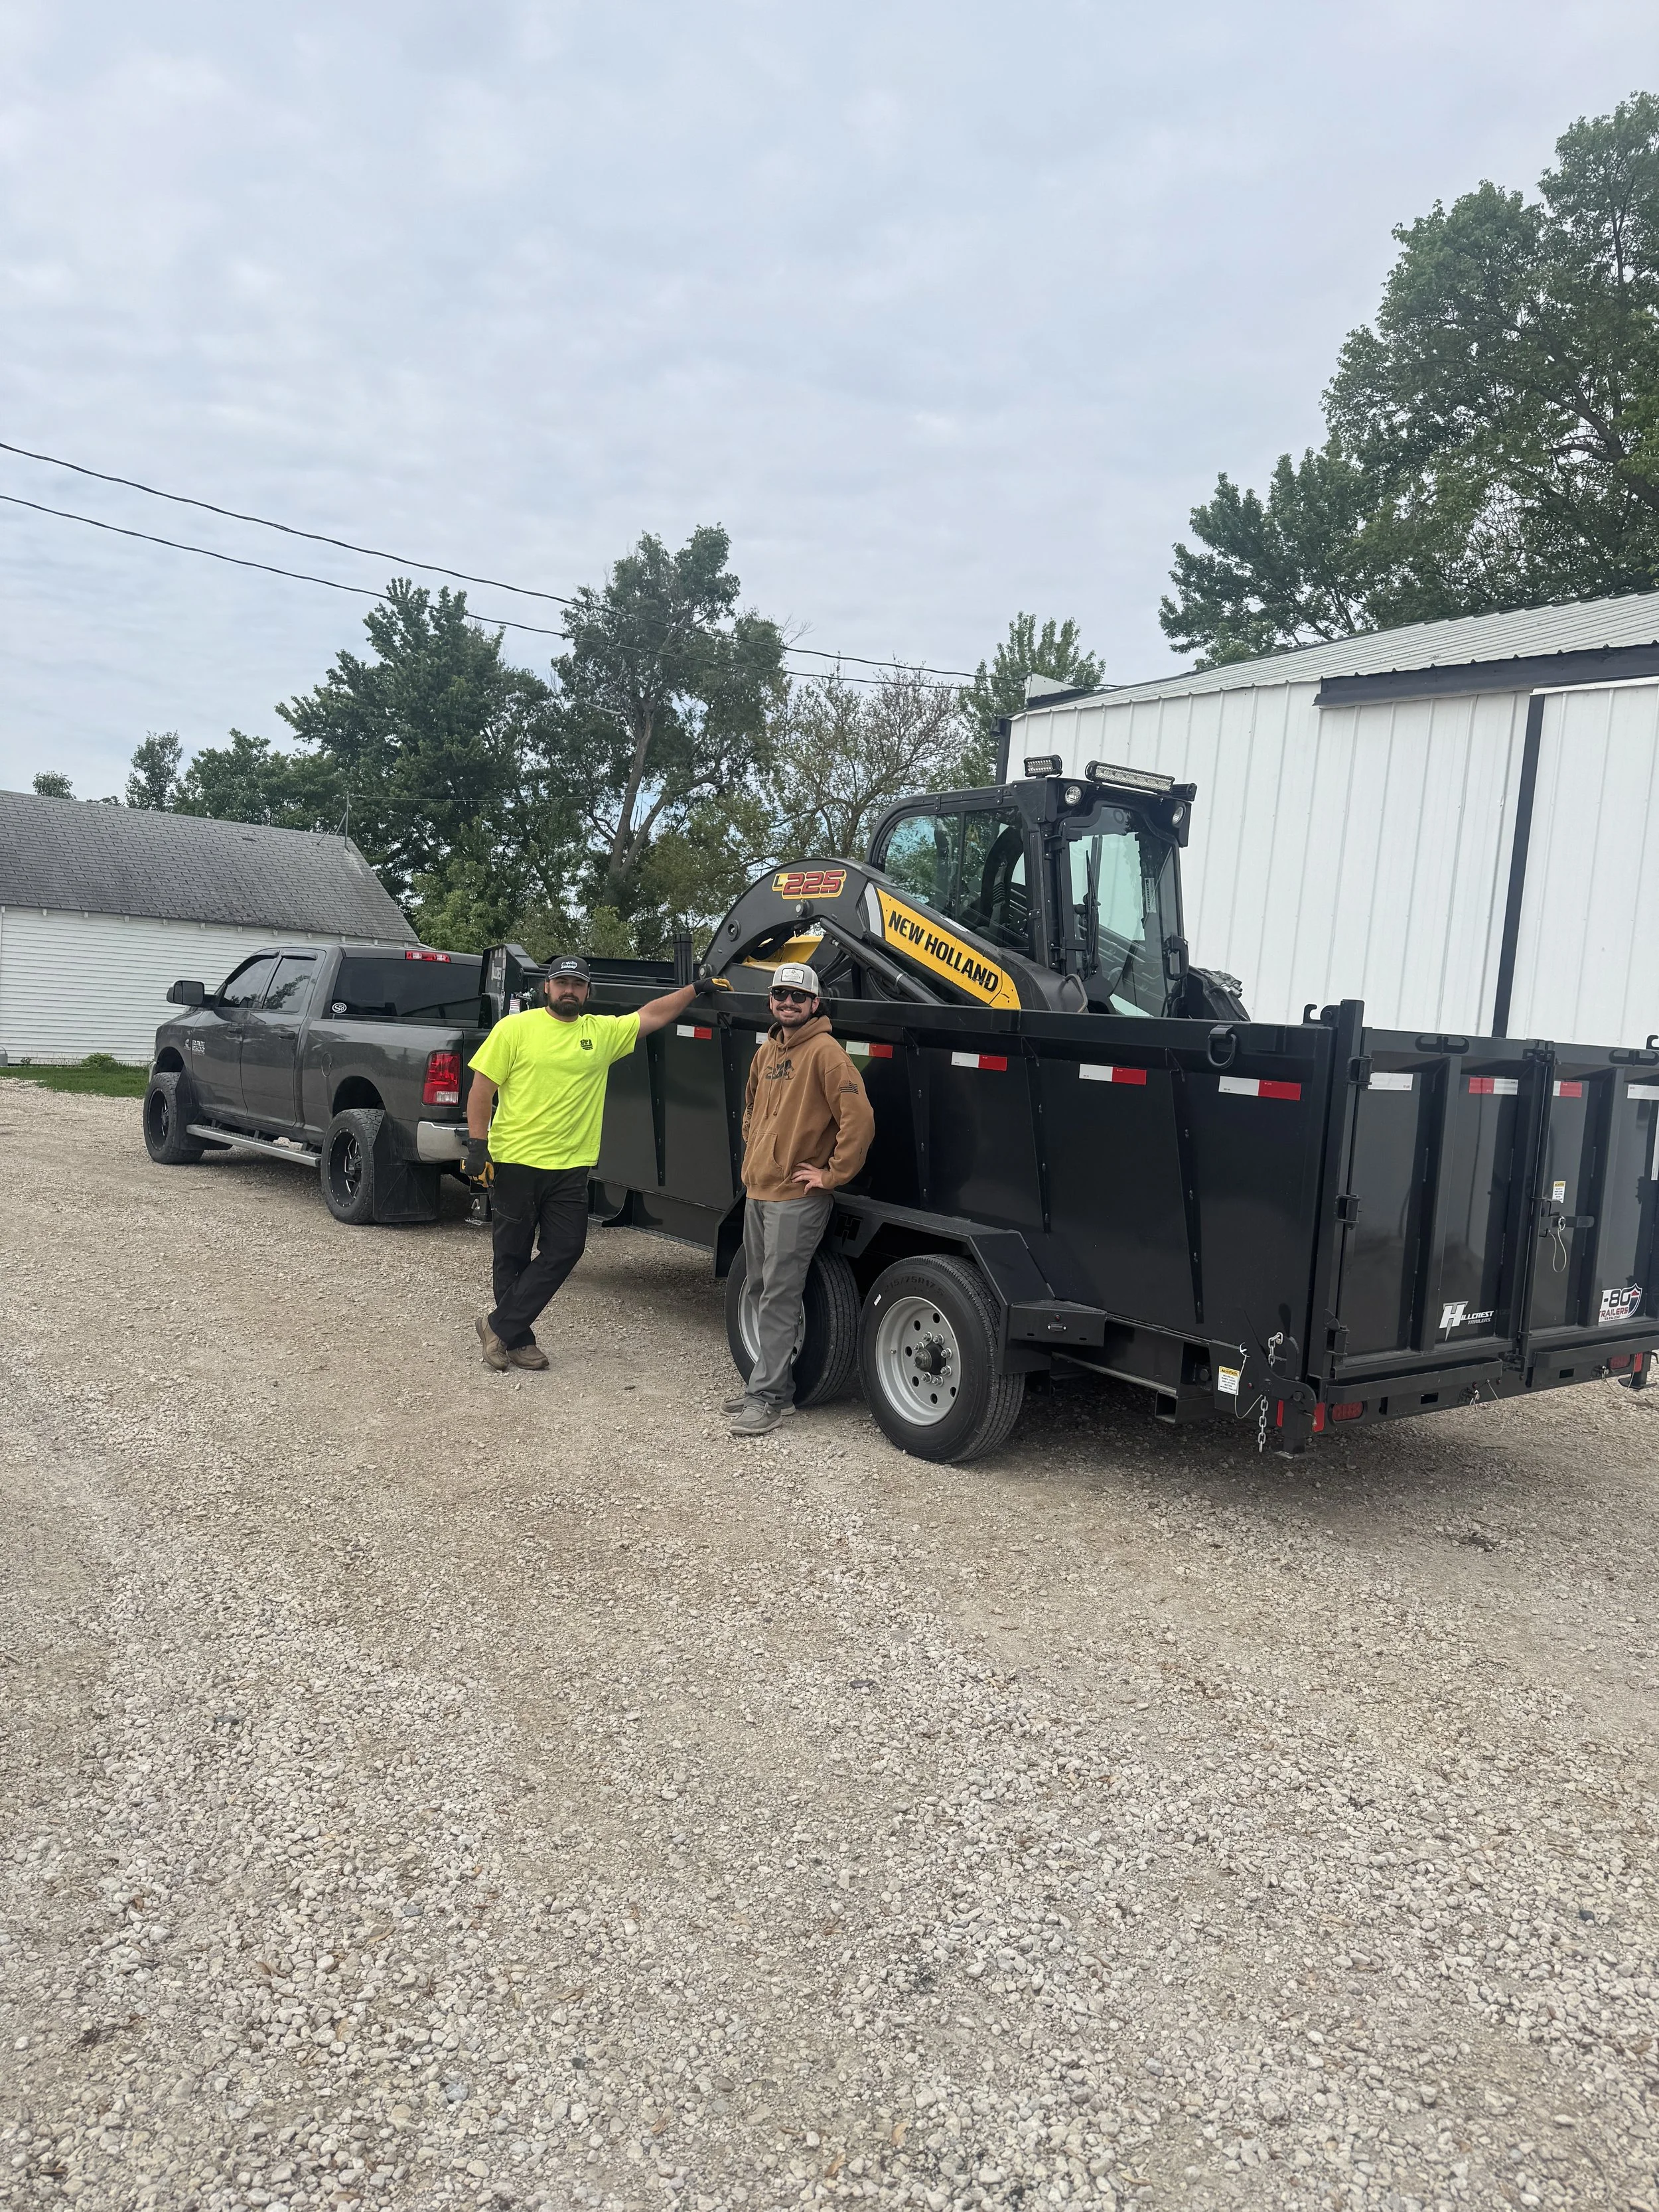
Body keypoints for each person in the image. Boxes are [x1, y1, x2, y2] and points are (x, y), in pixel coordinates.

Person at [466, 954, 705, 1371]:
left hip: (571, 1168)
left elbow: (651, 1016)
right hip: (516, 1161)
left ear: (587, 992)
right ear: (547, 988)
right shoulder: (514, 1029)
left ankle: (498, 1325)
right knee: (512, 1255)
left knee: (567, 1249)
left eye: (577, 985)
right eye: (562, 983)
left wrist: (696, 990)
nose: (569, 991)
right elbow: (482, 1088)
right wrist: (476, 1146)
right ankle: (517, 1339)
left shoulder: (601, 1033)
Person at [727, 962, 875, 1436]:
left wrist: (832, 1174)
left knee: (779, 1295)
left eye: (798, 995)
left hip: (796, 1197)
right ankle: (771, 1386)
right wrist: (756, 1151)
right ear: (771, 1001)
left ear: (815, 1004)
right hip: (759, 1189)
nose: (787, 1002)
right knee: (757, 1287)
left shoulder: (826, 1053)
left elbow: (860, 1118)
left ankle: (769, 1398)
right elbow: (750, 1105)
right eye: (780, 994)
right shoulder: (767, 1049)